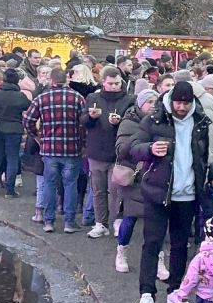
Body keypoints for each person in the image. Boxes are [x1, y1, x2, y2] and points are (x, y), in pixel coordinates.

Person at [129, 81, 211, 303]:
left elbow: (204, 156)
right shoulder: (155, 120)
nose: (181, 107)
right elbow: (133, 147)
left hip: (188, 195)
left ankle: (175, 291)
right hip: (158, 192)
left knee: (180, 245)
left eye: (186, 103)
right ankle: (146, 293)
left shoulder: (201, 122)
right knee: (152, 243)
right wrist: (150, 149)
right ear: (171, 100)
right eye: (178, 102)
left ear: (192, 102)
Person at [23, 68, 86, 234]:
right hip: (72, 149)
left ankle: (48, 221)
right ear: (66, 80)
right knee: (70, 185)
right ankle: (69, 222)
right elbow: (85, 123)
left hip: (49, 149)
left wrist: (37, 136)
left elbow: (28, 120)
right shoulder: (78, 98)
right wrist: (83, 144)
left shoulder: (42, 98)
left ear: (51, 80)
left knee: (49, 185)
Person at [114, 88, 168, 277]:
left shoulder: (161, 123)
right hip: (135, 178)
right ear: (140, 104)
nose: (153, 106)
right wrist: (140, 142)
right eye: (149, 102)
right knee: (130, 218)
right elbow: (121, 150)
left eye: (156, 102)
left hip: (154, 177)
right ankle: (121, 251)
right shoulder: (129, 123)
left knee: (157, 224)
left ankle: (158, 260)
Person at [81, 67, 136, 239]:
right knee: (98, 190)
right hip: (96, 150)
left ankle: (116, 221)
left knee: (116, 190)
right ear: (103, 82)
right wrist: (91, 117)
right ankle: (100, 223)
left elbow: (133, 124)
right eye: (111, 83)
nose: (114, 86)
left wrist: (118, 123)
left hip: (118, 152)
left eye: (117, 83)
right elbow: (82, 121)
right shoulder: (92, 98)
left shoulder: (129, 100)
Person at [0, 68, 31, 197]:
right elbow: (29, 107)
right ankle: (10, 190)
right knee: (12, 158)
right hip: (14, 130)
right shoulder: (20, 96)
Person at [166, 216, 213, 303]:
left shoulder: (201, 257)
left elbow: (191, 278)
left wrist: (182, 294)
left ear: (210, 237)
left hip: (204, 297)